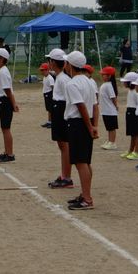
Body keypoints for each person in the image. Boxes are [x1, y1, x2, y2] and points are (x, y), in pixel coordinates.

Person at [63, 51, 98, 210]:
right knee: (86, 161)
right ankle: (85, 194)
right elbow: (94, 106)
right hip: (87, 121)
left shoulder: (72, 83)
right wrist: (94, 125)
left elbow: (81, 106)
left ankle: (87, 199)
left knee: (80, 162)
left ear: (70, 65)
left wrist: (90, 127)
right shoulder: (90, 81)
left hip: (78, 123)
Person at [46, 49, 73, 189]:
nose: (48, 63)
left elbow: (69, 99)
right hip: (58, 110)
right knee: (61, 145)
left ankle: (67, 177)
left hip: (62, 111)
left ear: (54, 62)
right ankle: (64, 175)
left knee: (64, 145)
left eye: (50, 60)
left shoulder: (64, 79)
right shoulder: (59, 77)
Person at [0, 48, 18, 162]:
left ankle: (10, 154)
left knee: (6, 128)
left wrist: (13, 103)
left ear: (2, 59)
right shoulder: (2, 70)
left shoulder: (3, 71)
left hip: (5, 101)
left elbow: (7, 90)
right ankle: (6, 152)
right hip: (2, 101)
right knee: (4, 128)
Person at [120, 72, 138, 160]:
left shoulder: (137, 92)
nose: (124, 83)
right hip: (129, 112)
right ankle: (130, 150)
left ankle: (136, 152)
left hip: (135, 113)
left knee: (136, 133)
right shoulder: (131, 91)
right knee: (132, 134)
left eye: (126, 81)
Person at [98, 66, 118, 150]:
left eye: (104, 75)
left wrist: (116, 106)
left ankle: (112, 142)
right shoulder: (105, 85)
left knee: (112, 128)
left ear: (109, 76)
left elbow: (113, 97)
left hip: (110, 110)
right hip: (105, 110)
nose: (102, 76)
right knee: (109, 127)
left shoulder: (109, 85)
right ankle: (109, 141)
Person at [39, 63, 54, 129]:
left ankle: (53, 122)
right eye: (41, 70)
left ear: (47, 70)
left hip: (50, 94)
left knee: (51, 109)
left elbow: (53, 87)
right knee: (48, 109)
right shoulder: (45, 77)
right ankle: (49, 121)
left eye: (43, 70)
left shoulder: (50, 78)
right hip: (46, 94)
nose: (42, 72)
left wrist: (53, 96)